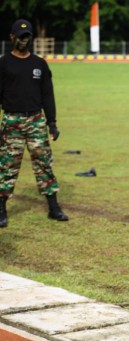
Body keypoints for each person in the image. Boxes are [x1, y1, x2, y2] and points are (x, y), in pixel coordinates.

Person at [0, 19, 68, 228]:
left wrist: (52, 123)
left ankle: (53, 208)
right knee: (7, 166)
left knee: (44, 164)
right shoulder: (3, 63)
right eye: (20, 36)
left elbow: (48, 95)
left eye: (27, 36)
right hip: (12, 121)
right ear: (12, 37)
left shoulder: (39, 64)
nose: (24, 40)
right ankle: (1, 210)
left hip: (36, 121)